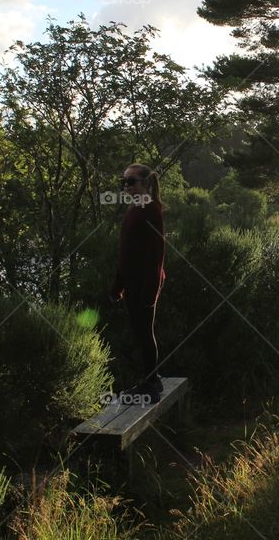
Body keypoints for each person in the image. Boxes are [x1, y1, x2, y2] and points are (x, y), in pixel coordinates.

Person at [110, 164, 166, 403]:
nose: (127, 187)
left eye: (131, 182)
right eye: (124, 182)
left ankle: (151, 383)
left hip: (144, 284)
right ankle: (150, 379)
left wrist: (150, 291)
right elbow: (127, 252)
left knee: (144, 332)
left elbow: (156, 253)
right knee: (139, 332)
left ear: (145, 183)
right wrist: (118, 285)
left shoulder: (150, 210)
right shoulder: (135, 208)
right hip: (132, 283)